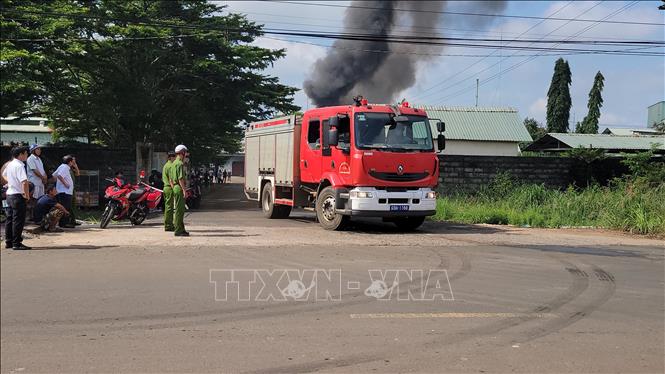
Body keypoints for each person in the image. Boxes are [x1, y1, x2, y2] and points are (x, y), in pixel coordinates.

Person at [2, 146, 31, 250]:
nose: (27, 155)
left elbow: (3, 175)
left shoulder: (10, 164)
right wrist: (26, 195)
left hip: (9, 194)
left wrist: (11, 182)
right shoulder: (19, 165)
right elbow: (24, 182)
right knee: (18, 220)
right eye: (26, 153)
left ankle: (9, 242)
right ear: (21, 155)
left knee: (10, 219)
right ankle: (16, 243)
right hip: (18, 195)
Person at [168, 145, 189, 237]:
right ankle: (178, 230)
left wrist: (174, 188)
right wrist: (184, 190)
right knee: (179, 211)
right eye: (185, 152)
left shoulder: (173, 164)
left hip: (175, 187)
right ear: (182, 153)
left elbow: (170, 179)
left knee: (179, 209)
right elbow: (180, 178)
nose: (186, 154)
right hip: (179, 187)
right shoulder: (179, 164)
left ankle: (181, 228)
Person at [52, 155, 78, 228]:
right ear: (69, 162)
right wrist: (65, 184)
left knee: (64, 207)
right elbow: (60, 176)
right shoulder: (65, 167)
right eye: (72, 161)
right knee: (65, 207)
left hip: (62, 191)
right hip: (65, 191)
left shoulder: (61, 166)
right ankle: (64, 223)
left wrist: (57, 185)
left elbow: (54, 175)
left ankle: (63, 222)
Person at [162, 151, 176, 232]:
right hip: (170, 187)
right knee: (170, 208)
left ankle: (168, 224)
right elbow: (171, 180)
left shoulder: (166, 165)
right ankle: (169, 225)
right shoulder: (170, 166)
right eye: (174, 156)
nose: (175, 158)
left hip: (166, 188)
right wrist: (174, 188)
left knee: (168, 207)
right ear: (171, 157)